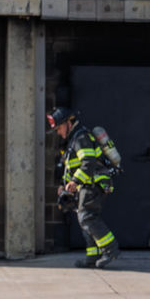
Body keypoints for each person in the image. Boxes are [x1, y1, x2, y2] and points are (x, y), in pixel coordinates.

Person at [49, 107, 119, 269]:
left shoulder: (80, 137)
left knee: (87, 217)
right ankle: (92, 256)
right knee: (84, 219)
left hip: (94, 182)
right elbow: (71, 167)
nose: (58, 132)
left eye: (59, 128)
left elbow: (88, 161)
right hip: (86, 183)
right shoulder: (72, 140)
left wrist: (74, 181)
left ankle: (110, 249)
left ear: (68, 123)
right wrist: (63, 186)